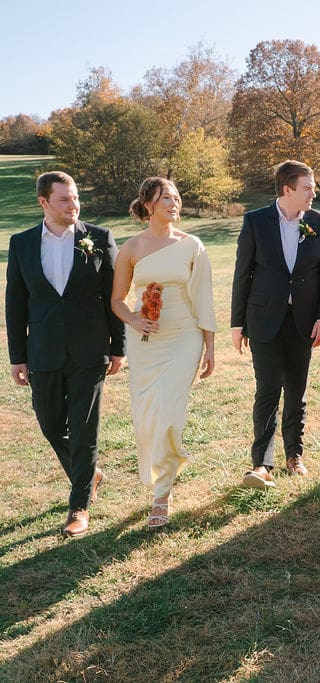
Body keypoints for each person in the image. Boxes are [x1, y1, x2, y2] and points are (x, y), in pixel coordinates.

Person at [5, 171, 125, 538]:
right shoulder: (22, 242)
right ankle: (88, 472)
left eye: (75, 198)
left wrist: (117, 347)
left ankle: (79, 507)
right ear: (44, 202)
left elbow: (113, 298)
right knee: (51, 424)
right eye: (64, 199)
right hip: (43, 351)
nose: (73, 205)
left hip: (90, 350)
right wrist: (17, 356)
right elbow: (16, 304)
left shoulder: (100, 238)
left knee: (85, 428)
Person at [111, 177, 216, 528]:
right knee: (147, 418)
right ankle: (158, 476)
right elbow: (116, 300)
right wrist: (134, 319)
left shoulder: (192, 245)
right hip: (146, 344)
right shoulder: (132, 248)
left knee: (169, 415)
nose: (174, 203)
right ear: (149, 204)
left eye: (176, 197)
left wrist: (209, 347)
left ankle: (162, 494)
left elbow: (204, 299)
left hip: (185, 338)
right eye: (165, 198)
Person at [231, 161, 320, 488]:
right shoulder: (256, 221)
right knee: (267, 389)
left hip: (303, 321)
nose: (313, 193)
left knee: (297, 391)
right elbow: (242, 273)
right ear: (287, 189)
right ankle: (262, 463)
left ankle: (295, 454)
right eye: (307, 188)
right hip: (262, 319)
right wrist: (237, 324)